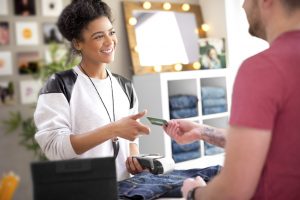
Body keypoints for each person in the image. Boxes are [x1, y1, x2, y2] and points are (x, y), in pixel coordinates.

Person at [164, 0, 300, 199]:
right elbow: (281, 143)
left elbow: (233, 191)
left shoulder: (263, 69)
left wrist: (193, 193)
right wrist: (203, 131)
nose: (243, 6)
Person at [34, 0, 150, 181]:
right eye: (98, 36)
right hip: (84, 191)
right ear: (78, 43)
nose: (109, 41)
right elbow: (55, 149)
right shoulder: (60, 85)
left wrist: (134, 157)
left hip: (124, 190)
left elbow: (131, 141)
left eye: (111, 32)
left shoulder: (125, 86)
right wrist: (113, 129)